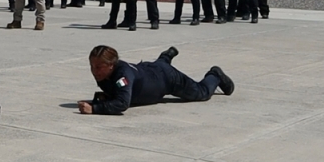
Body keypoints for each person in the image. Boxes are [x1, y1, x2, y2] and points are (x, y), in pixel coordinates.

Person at [78, 45, 234, 115]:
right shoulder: (104, 74)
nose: (94, 71)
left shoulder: (122, 76)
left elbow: (122, 103)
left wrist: (95, 109)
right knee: (158, 66)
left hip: (167, 79)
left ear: (111, 65)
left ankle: (215, 75)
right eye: (92, 66)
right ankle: (165, 57)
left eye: (99, 67)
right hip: (149, 70)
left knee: (202, 93)